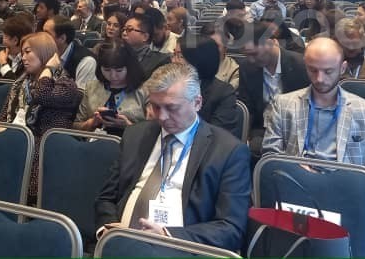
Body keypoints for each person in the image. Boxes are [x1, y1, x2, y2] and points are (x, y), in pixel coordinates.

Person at [95, 63, 250, 251]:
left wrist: (168, 235)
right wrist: (108, 229)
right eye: (156, 106)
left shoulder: (228, 151)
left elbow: (231, 228)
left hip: (182, 249)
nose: (162, 117)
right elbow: (106, 198)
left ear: (197, 103)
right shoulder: (135, 135)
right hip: (121, 243)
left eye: (172, 108)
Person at [263, 38, 365, 189]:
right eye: (313, 70)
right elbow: (269, 158)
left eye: (328, 71)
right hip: (297, 185)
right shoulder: (283, 104)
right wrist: (296, 171)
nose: (320, 79)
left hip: (345, 189)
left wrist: (351, 185)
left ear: (342, 68)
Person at [0, 32, 81, 200]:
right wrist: (2, 130)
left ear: (45, 53)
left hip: (44, 150)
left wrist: (48, 70)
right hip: (16, 140)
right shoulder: (20, 83)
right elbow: (3, 116)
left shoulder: (66, 85)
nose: (23, 57)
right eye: (22, 53)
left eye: (28, 52)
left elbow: (42, 95)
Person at [237, 21, 309, 157]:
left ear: (271, 43)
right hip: (262, 128)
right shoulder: (247, 67)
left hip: (297, 128)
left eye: (254, 54)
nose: (251, 60)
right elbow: (247, 108)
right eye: (247, 55)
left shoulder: (301, 65)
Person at [74, 43, 147, 136]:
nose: (113, 76)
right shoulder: (92, 87)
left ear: (130, 68)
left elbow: (152, 133)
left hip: (129, 143)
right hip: (95, 141)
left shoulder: (144, 91)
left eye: (119, 70)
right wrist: (92, 122)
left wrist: (128, 125)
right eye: (107, 70)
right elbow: (76, 126)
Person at [176, 34, 239, 138]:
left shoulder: (223, 93)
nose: (174, 61)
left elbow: (218, 135)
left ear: (199, 59)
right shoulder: (168, 85)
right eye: (174, 54)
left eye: (180, 56)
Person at [44, 16, 97, 89]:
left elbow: (80, 95)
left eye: (47, 34)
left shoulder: (87, 61)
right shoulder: (47, 52)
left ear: (62, 38)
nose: (42, 37)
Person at [121, 12, 171, 79]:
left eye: (129, 29)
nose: (124, 33)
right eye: (124, 29)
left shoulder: (160, 61)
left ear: (145, 37)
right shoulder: (117, 54)